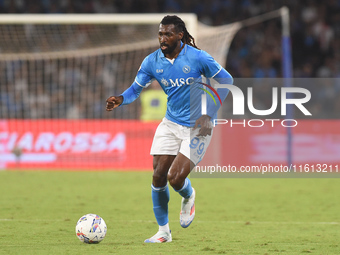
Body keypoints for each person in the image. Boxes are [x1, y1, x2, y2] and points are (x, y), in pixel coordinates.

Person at [106, 15, 233, 243]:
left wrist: (210, 113)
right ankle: (163, 232)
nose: (162, 38)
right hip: (171, 123)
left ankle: (189, 194)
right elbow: (135, 90)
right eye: (160, 34)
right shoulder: (152, 62)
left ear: (180, 35)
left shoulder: (198, 57)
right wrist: (120, 99)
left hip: (198, 126)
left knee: (176, 179)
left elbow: (226, 80)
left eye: (167, 34)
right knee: (158, 177)